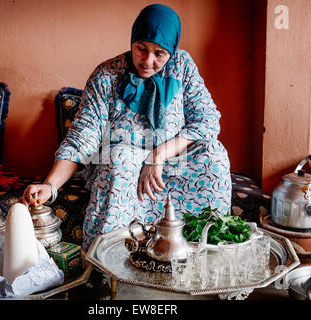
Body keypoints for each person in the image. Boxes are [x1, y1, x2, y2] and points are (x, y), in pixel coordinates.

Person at [22, 4, 231, 252]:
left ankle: (203, 252)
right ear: (132, 40)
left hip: (171, 158)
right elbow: (82, 138)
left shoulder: (182, 66)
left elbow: (207, 119)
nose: (148, 61)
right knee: (120, 156)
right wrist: (50, 186)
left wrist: (158, 155)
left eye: (160, 54)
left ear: (172, 51)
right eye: (141, 49)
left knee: (214, 153)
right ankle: (112, 262)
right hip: (125, 167)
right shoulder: (106, 76)